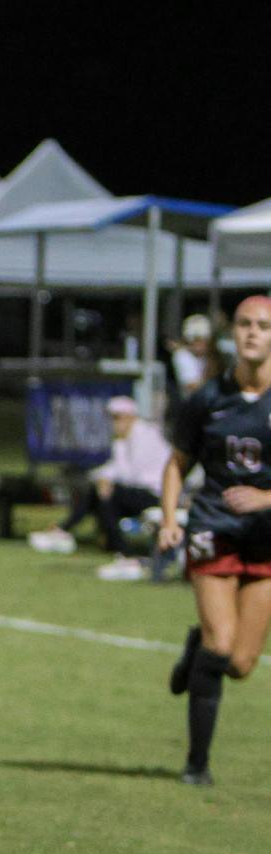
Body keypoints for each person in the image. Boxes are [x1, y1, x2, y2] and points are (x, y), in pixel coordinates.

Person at [159, 294, 271, 786]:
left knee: (242, 663)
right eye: (245, 324)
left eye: (263, 326)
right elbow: (177, 463)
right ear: (233, 334)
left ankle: (193, 650)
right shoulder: (206, 399)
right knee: (222, 644)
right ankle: (196, 765)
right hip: (211, 528)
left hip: (265, 537)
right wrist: (169, 518)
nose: (252, 334)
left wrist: (267, 500)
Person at [28, 395, 169, 577]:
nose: (114, 423)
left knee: (107, 494)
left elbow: (134, 475)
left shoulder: (146, 436)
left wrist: (105, 481)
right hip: (138, 492)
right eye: (112, 418)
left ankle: (123, 553)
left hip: (156, 493)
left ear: (131, 417)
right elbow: (115, 469)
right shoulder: (122, 441)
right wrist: (99, 478)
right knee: (102, 495)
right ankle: (118, 551)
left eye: (118, 418)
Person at [173, 313, 213, 398]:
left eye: (203, 340)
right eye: (196, 340)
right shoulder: (182, 355)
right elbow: (192, 385)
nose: (200, 345)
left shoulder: (208, 357)